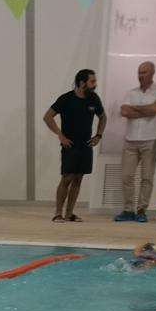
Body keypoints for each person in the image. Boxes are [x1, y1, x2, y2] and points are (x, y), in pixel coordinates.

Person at [44, 69, 105, 223]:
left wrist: (98, 135)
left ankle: (69, 213)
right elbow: (48, 117)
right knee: (67, 178)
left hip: (86, 145)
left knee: (78, 178)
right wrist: (60, 134)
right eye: (92, 81)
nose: (95, 85)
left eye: (95, 81)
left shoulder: (93, 99)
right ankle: (58, 213)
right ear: (81, 82)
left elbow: (103, 117)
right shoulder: (66, 99)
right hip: (70, 145)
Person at [114, 60, 156, 222]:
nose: (140, 76)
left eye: (143, 73)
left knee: (147, 177)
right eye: (139, 72)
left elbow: (155, 109)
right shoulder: (131, 92)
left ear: (152, 73)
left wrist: (135, 108)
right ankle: (128, 209)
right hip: (130, 139)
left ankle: (142, 209)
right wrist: (145, 110)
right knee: (126, 176)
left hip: (150, 139)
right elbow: (124, 111)